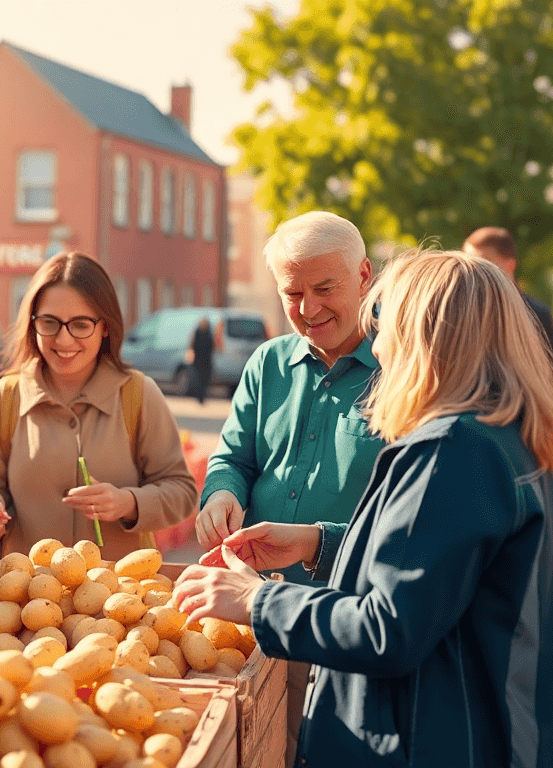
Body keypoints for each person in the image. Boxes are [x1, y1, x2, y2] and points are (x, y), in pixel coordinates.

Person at [174, 249, 553, 767]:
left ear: (423, 339)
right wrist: (320, 543)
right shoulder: (503, 437)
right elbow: (442, 573)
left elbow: (388, 629)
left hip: (433, 740)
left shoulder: (452, 451)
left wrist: (257, 602)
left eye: (385, 327)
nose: (379, 347)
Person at [195, 210, 385, 763]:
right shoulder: (268, 363)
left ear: (364, 276)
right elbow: (234, 455)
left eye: (324, 289)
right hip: (254, 616)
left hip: (349, 621)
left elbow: (407, 518)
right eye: (292, 293)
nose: (308, 309)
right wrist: (222, 492)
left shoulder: (402, 373)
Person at [0, 252, 196, 559]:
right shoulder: (5, 397)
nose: (64, 340)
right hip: (26, 597)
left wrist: (128, 502)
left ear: (106, 327)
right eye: (50, 323)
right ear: (32, 324)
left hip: (121, 597)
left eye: (81, 325)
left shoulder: (138, 394)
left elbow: (182, 493)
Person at [462, 226, 553, 370]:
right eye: (468, 264)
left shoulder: (536, 314)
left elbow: (550, 375)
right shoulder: (464, 310)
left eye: (483, 264)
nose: (473, 272)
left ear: (509, 265)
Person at [186, 316, 214, 404]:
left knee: (205, 379)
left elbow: (213, 346)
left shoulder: (209, 334)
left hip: (206, 361)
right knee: (198, 379)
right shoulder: (197, 333)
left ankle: (202, 396)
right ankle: (199, 396)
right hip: (198, 361)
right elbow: (192, 345)